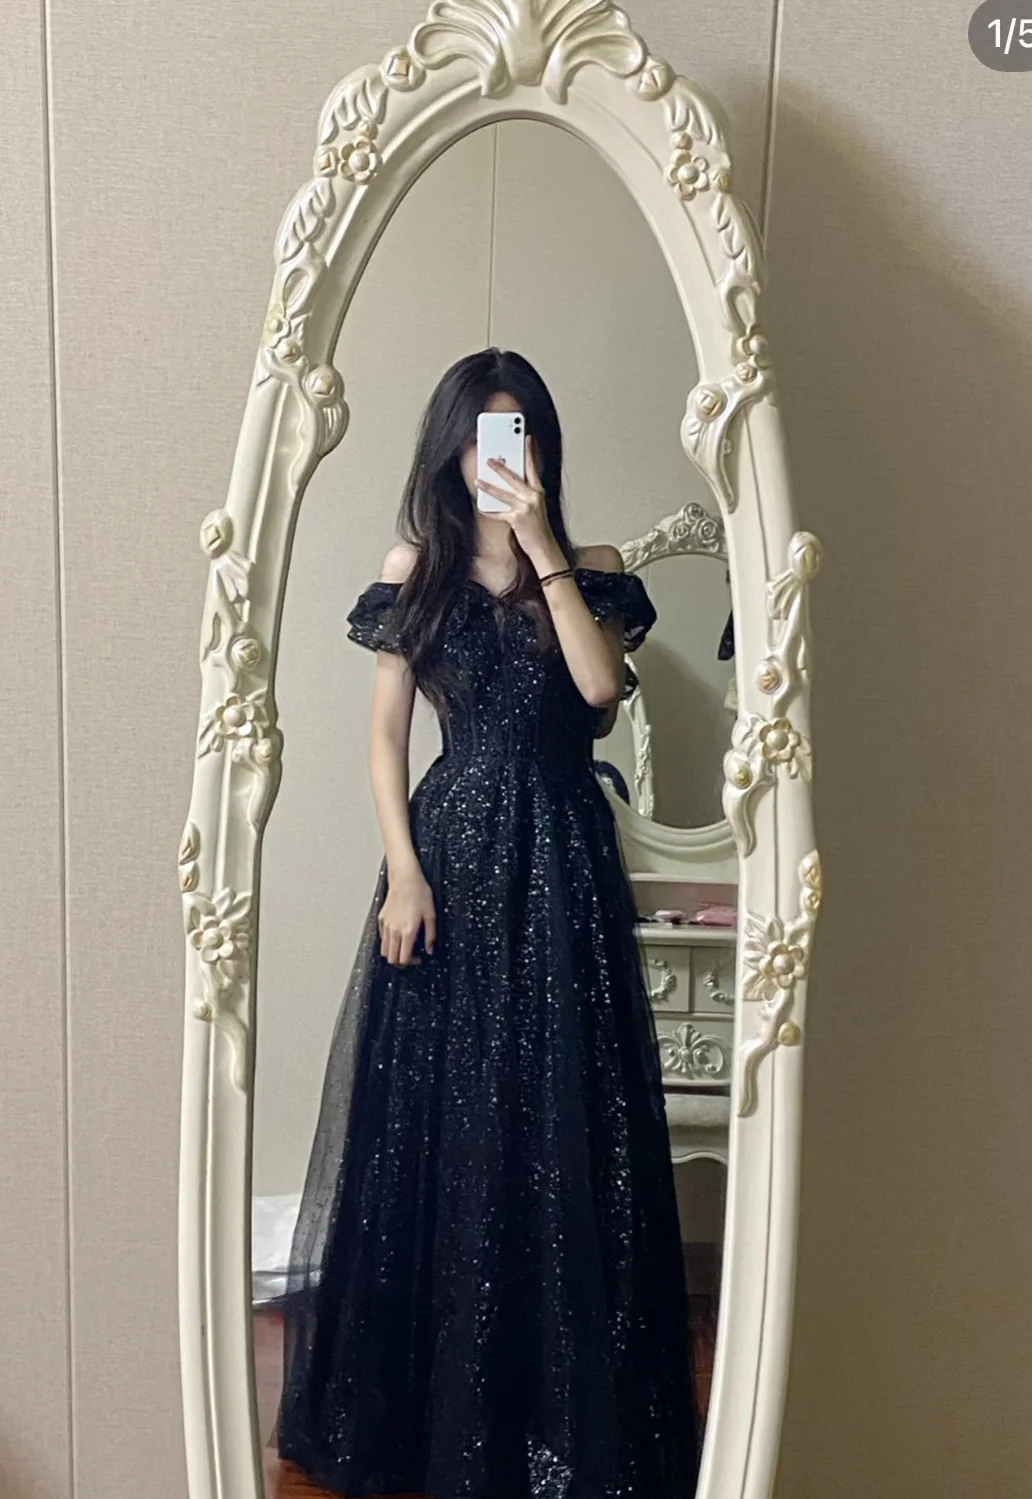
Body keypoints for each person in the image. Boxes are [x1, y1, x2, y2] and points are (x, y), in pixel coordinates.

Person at [276, 348, 701, 1499]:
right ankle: (435, 1410)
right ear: (448, 447)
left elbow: (599, 693)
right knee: (445, 1117)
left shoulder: (595, 568)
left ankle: (548, 1410)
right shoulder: (412, 570)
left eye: (514, 433)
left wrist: (546, 546)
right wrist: (403, 873)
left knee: (559, 1114)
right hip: (452, 857)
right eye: (476, 435)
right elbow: (384, 738)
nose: (491, 455)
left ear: (541, 446)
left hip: (563, 855)